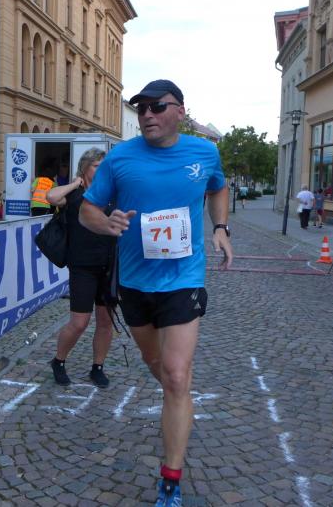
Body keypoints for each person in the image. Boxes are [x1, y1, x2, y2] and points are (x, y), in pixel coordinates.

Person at [79, 79, 233, 507]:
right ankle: (176, 400)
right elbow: (88, 209)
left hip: (184, 278)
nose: (147, 114)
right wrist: (106, 222)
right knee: (160, 369)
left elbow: (218, 186)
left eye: (157, 106)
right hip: (134, 283)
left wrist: (221, 227)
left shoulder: (204, 153)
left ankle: (170, 478)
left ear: (179, 110)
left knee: (177, 375)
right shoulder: (120, 157)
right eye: (141, 107)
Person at [46, 148, 116, 388]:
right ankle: (59, 361)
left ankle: (98, 367)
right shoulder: (75, 194)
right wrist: (75, 182)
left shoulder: (111, 193)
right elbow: (51, 197)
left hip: (109, 265)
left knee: (106, 322)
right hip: (82, 266)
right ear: (85, 168)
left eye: (104, 166)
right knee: (79, 322)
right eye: (96, 165)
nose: (102, 169)